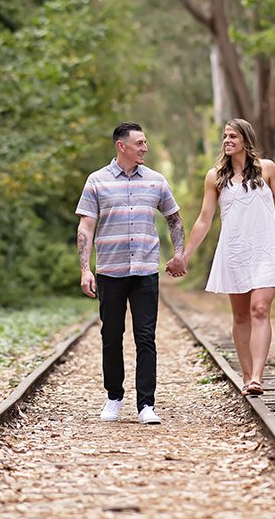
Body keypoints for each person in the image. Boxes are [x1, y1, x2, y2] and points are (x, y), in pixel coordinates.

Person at [166, 118, 275, 396]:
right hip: (234, 251)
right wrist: (183, 255)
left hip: (266, 248)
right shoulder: (215, 177)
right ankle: (247, 376)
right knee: (241, 315)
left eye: (233, 136)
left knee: (259, 309)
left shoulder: (267, 169)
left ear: (246, 139)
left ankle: (257, 375)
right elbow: (204, 220)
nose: (227, 140)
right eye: (224, 136)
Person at [76, 122, 185, 425]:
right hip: (110, 271)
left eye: (145, 142)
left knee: (145, 337)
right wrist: (85, 269)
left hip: (145, 270)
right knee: (111, 336)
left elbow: (174, 219)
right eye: (139, 143)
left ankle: (146, 404)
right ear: (121, 146)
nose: (145, 148)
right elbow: (86, 226)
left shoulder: (156, 180)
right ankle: (114, 397)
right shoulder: (96, 181)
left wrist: (179, 253)